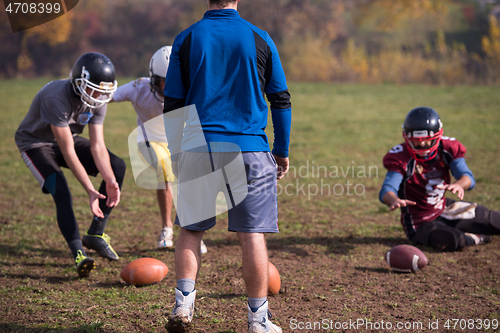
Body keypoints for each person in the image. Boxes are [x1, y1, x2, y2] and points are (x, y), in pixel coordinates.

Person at [162, 0, 291, 332]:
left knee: (191, 230)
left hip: (198, 148)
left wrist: (177, 152)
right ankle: (258, 321)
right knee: (252, 236)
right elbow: (280, 99)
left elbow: (173, 102)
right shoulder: (259, 36)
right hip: (250, 150)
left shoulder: (187, 38)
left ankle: (183, 305)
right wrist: (281, 150)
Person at [14, 52, 126, 278]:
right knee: (61, 189)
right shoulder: (55, 96)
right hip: (36, 143)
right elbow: (68, 152)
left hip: (66, 138)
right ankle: (79, 253)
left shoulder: (98, 100)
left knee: (117, 166)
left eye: (103, 91)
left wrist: (109, 179)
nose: (98, 96)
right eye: (94, 89)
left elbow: (97, 146)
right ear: (78, 81)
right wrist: (90, 190)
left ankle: (96, 233)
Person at [111, 46, 207, 253]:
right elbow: (108, 95)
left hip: (178, 141)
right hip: (149, 140)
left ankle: (191, 233)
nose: (171, 86)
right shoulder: (139, 89)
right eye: (165, 80)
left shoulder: (191, 91)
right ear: (154, 79)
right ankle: (167, 228)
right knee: (165, 170)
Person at [379, 107, 500, 252]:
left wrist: (460, 185)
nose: (422, 145)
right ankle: (476, 237)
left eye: (426, 140)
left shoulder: (447, 149)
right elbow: (387, 189)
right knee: (452, 239)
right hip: (419, 222)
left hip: (443, 208)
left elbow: (467, 177)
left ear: (437, 136)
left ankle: (471, 230)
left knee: (493, 220)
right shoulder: (401, 158)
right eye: (416, 141)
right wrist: (393, 200)